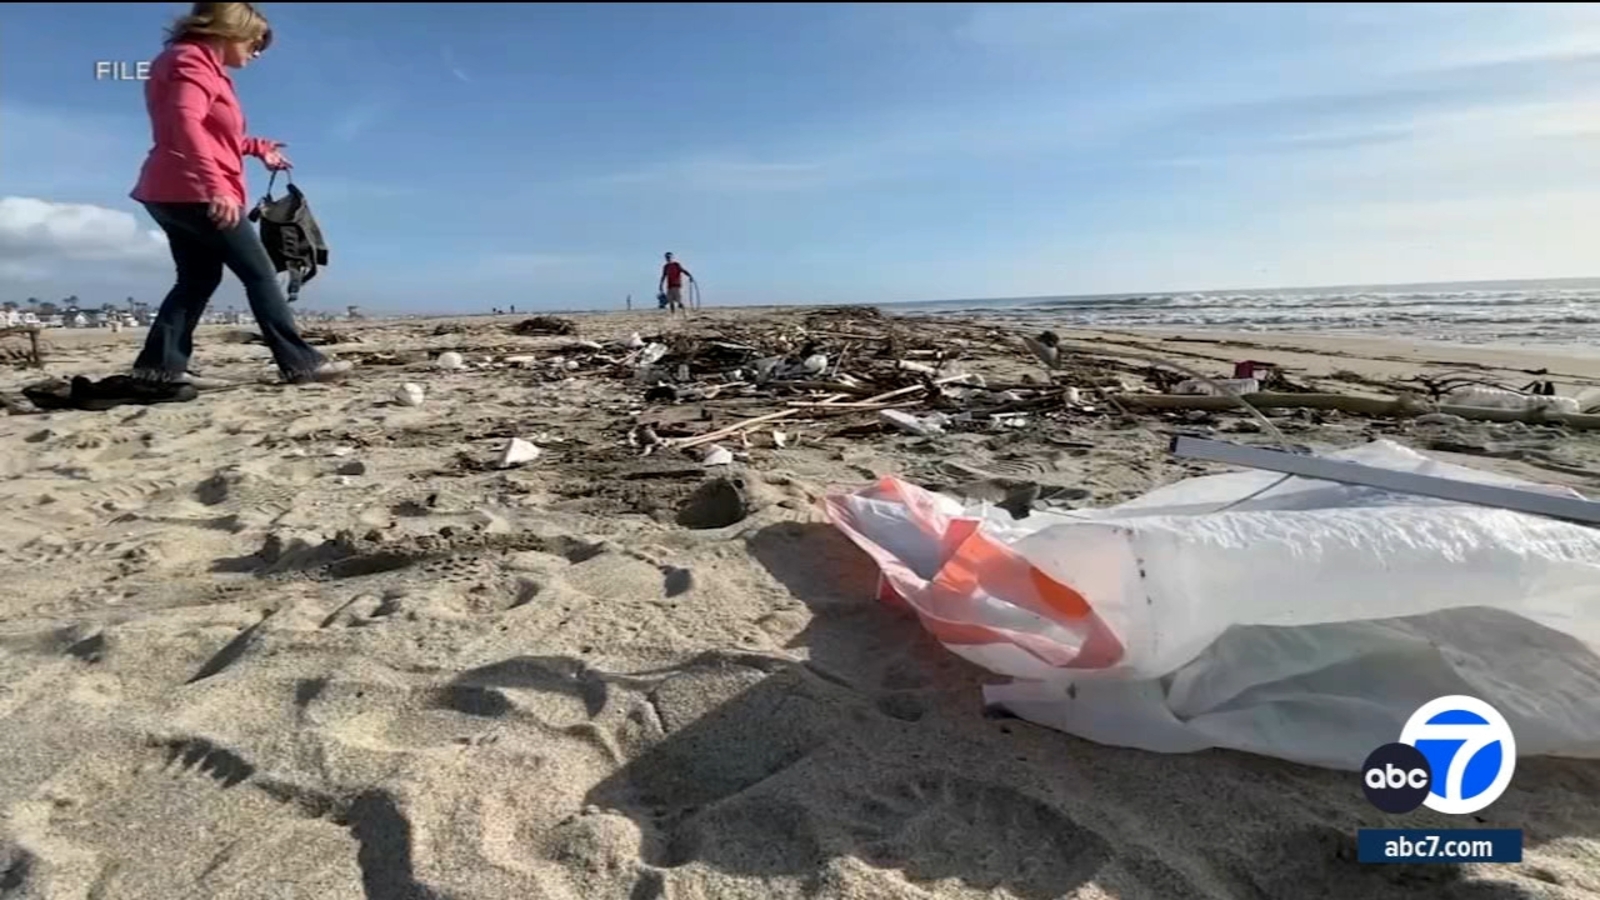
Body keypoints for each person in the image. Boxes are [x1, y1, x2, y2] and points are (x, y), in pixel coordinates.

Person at [130, 2, 350, 386]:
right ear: (230, 30)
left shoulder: (189, 63)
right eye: (255, 43)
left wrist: (258, 147)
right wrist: (214, 186)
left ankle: (160, 368)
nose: (257, 52)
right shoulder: (191, 61)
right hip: (193, 190)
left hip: (168, 189)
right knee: (260, 273)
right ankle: (300, 363)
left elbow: (212, 132)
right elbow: (184, 124)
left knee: (196, 279)